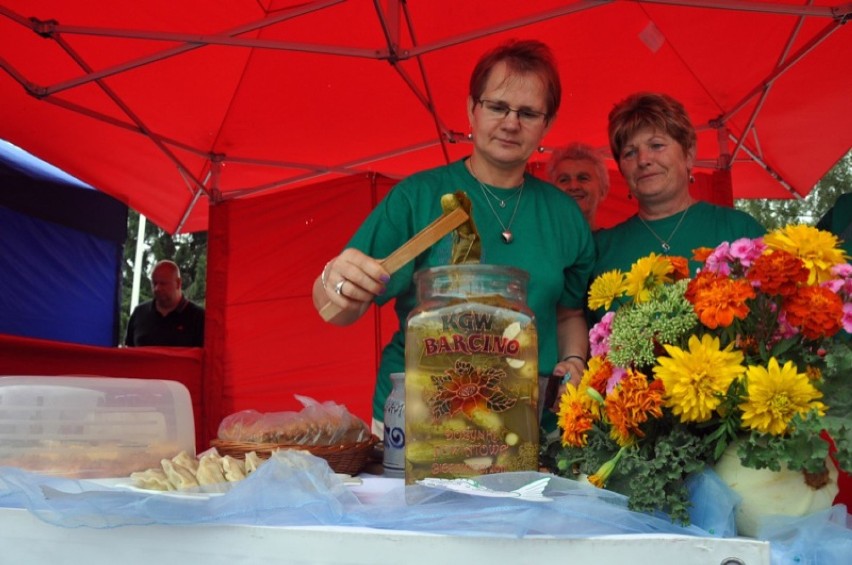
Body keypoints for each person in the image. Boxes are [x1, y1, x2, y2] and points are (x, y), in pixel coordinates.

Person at [312, 39, 595, 434]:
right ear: (472, 110)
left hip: (528, 425)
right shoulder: (418, 198)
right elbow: (341, 308)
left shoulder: (564, 215)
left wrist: (576, 361)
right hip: (420, 423)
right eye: (497, 107)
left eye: (528, 113)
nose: (511, 123)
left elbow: (569, 314)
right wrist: (333, 281)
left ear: (546, 125)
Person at [590, 92, 764, 321]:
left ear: (689, 154)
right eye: (630, 153)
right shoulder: (600, 249)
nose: (643, 160)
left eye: (656, 145)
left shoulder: (740, 230)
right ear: (622, 169)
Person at [125, 259, 205, 347]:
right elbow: (129, 353)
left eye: (163, 283)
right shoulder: (139, 313)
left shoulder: (199, 318)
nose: (157, 288)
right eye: (154, 283)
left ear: (178, 283)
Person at [547, 142, 610, 229]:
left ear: (603, 191)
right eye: (564, 180)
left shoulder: (615, 241)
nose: (573, 186)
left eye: (583, 178)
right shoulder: (537, 241)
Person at [817, 192, 852, 256]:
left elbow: (817, 233)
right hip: (828, 260)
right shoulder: (844, 201)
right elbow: (818, 233)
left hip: (827, 260)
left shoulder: (843, 201)